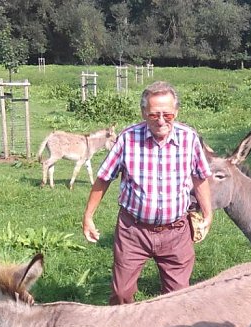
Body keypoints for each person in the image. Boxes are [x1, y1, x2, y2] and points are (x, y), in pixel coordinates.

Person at [82, 81, 213, 305]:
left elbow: (200, 177)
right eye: (153, 115)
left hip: (176, 232)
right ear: (144, 112)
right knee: (121, 295)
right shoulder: (128, 139)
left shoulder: (189, 139)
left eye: (167, 115)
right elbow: (104, 177)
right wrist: (88, 216)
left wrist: (208, 213)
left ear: (176, 112)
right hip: (134, 230)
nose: (161, 121)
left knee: (178, 298)